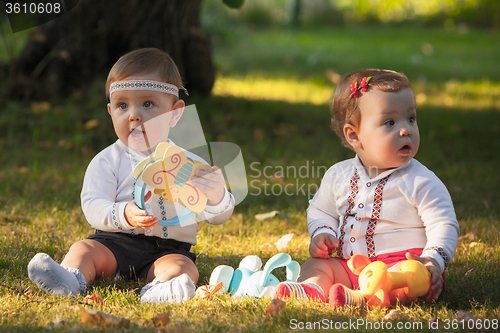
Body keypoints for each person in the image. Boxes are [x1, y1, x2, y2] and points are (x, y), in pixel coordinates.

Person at [28, 48, 235, 304]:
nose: (134, 115)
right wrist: (124, 213)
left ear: (175, 112)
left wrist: (216, 195)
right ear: (110, 111)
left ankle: (162, 289)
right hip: (112, 242)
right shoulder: (107, 161)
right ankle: (71, 278)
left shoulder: (190, 164)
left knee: (183, 267)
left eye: (148, 104)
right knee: (84, 250)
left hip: (167, 248)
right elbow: (93, 205)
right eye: (122, 105)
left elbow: (217, 217)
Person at [274, 69, 459, 308]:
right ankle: (313, 288)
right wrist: (322, 231)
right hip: (352, 265)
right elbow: (321, 210)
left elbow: (443, 223)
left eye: (411, 119)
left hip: (403, 267)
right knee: (316, 266)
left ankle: (360, 298)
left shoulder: (420, 181)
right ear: (354, 136)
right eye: (390, 122)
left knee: (409, 280)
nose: (406, 130)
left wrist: (432, 260)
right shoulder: (338, 175)